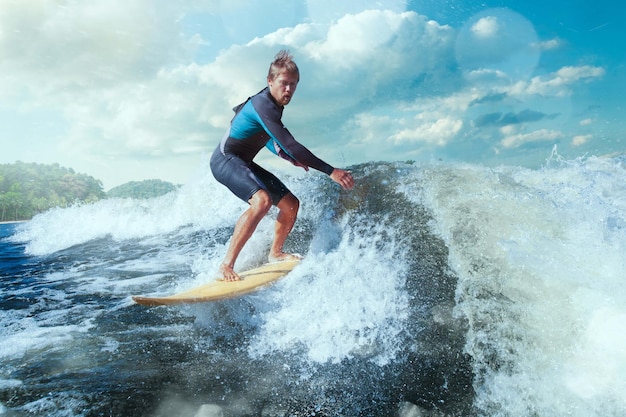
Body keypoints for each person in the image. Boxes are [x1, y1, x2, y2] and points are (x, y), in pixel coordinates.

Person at [210, 50, 354, 281]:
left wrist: (287, 157)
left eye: (294, 85)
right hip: (225, 159)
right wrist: (331, 171)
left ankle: (275, 253)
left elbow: (265, 136)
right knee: (262, 201)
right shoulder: (262, 104)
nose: (289, 89)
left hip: (243, 161)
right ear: (270, 81)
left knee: (290, 204)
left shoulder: (271, 107)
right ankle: (226, 266)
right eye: (284, 83)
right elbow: (290, 143)